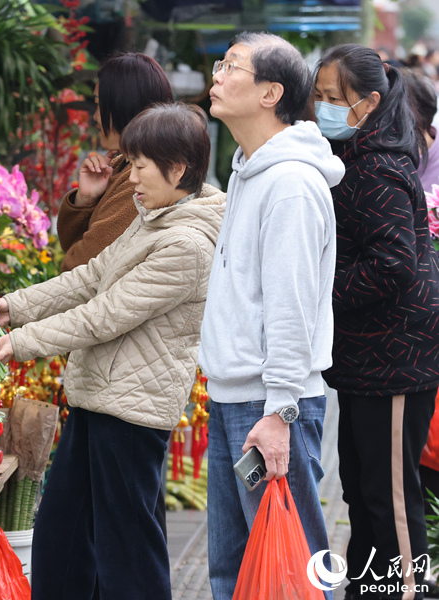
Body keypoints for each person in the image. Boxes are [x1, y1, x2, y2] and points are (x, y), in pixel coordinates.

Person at [0, 103, 225, 600]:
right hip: (99, 397)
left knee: (127, 549)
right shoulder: (154, 215)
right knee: (63, 532)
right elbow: (91, 277)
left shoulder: (187, 244)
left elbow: (105, 313)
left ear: (177, 169)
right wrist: (15, 307)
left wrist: (21, 343)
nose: (130, 177)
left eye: (139, 166)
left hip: (133, 411)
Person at [198, 32, 345, 600]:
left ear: (270, 92)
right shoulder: (249, 170)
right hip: (237, 398)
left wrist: (280, 412)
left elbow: (292, 309)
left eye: (231, 66)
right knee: (234, 571)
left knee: (296, 565)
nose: (216, 75)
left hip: (270, 406)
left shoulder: (290, 184)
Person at [314, 44, 439, 600]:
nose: (321, 108)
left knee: (390, 501)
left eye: (331, 99)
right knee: (363, 495)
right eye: (317, 97)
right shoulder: (358, 158)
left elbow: (393, 265)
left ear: (367, 103)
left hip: (397, 363)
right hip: (370, 361)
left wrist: (324, 295)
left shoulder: (380, 168)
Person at [57, 53, 173, 272]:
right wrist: (85, 199)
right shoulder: (122, 163)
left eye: (100, 104)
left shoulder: (143, 178)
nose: (95, 117)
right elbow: (71, 248)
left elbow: (79, 265)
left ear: (124, 106)